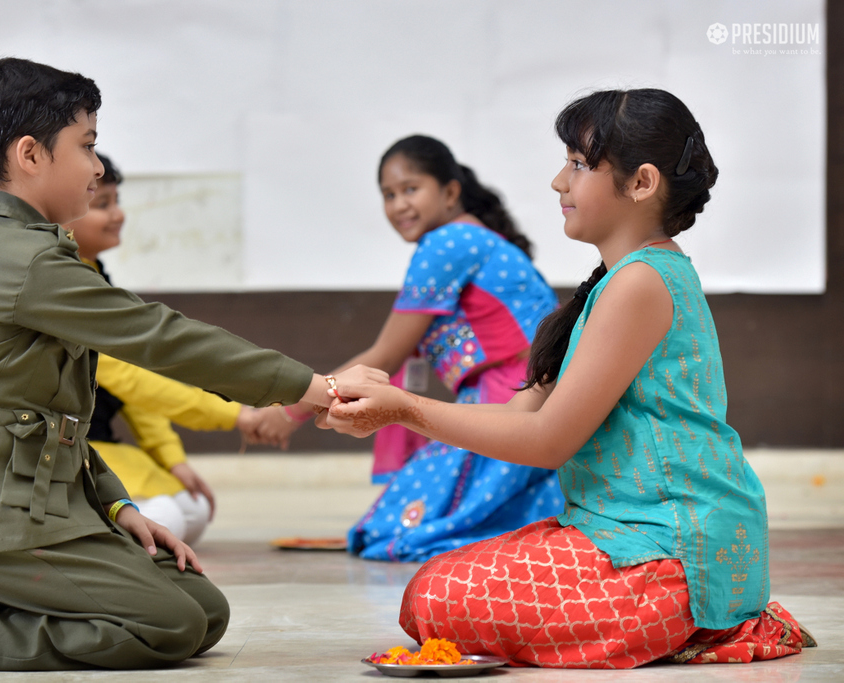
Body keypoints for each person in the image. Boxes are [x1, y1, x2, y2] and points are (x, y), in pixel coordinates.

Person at [0, 57, 385, 671]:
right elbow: (161, 338)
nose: (97, 167)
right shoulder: (22, 260)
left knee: (202, 608)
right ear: (30, 154)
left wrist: (118, 508)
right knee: (168, 625)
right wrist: (315, 387)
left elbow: (54, 416)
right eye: (87, 145)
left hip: (43, 504)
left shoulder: (31, 252)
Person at [325, 88, 816, 667]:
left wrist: (404, 409)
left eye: (579, 165)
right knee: (434, 584)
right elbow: (520, 415)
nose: (559, 182)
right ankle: (710, 614)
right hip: (626, 534)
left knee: (436, 597)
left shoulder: (640, 283)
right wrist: (397, 404)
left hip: (673, 551)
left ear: (642, 183)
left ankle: (714, 621)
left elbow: (549, 441)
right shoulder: (619, 282)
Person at [254, 135, 563, 563]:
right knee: (387, 527)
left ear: (450, 192)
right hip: (536, 402)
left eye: (411, 189)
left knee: (390, 533)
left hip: (513, 405)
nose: (399, 205)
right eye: (388, 195)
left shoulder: (447, 242)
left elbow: (385, 356)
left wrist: (290, 410)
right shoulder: (472, 238)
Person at [66, 152, 269, 545]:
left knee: (193, 511)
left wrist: (171, 458)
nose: (118, 214)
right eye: (102, 204)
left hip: (99, 442)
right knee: (167, 517)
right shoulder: (67, 282)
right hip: (68, 446)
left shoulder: (95, 275)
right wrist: (236, 416)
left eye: (116, 201)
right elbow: (129, 376)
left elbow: (134, 389)